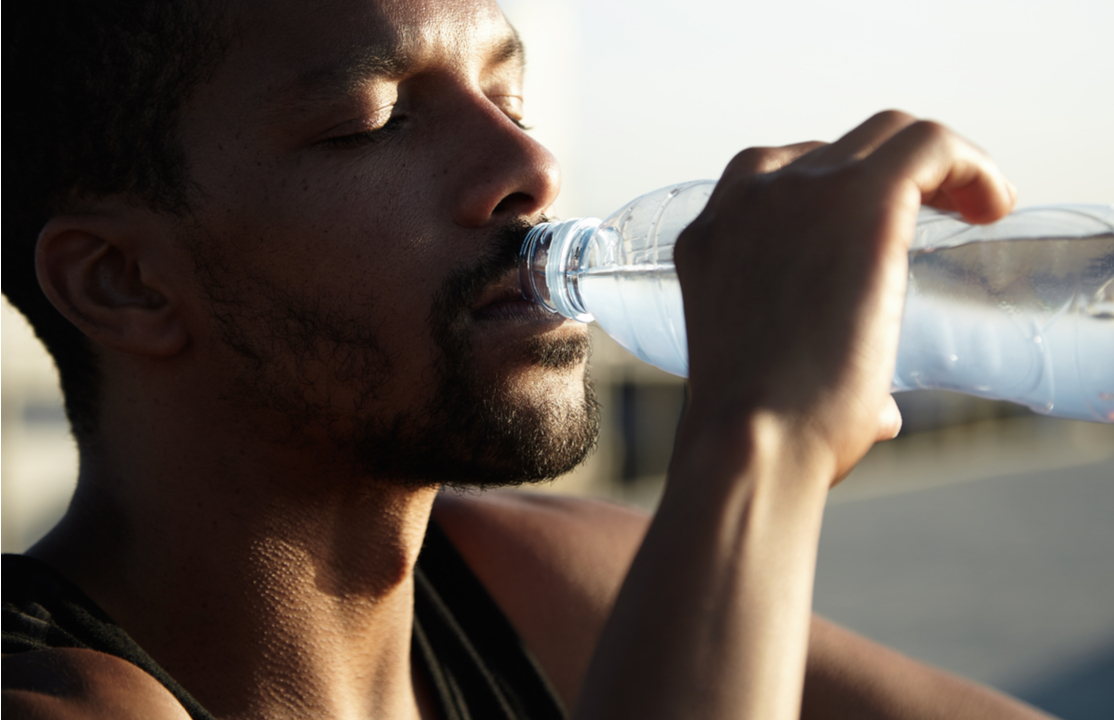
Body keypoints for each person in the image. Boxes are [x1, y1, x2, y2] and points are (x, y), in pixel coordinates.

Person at [2, 0, 1052, 718]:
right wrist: (761, 439)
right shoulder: (53, 696)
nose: (532, 168)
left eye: (508, 100)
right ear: (122, 281)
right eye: (376, 122)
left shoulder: (532, 580)